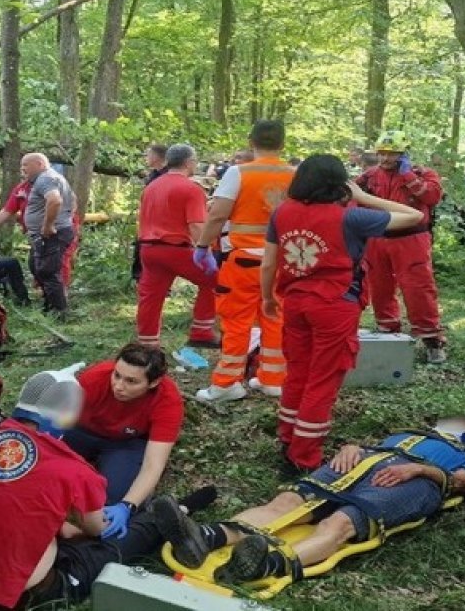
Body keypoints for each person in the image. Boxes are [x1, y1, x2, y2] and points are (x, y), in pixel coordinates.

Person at [0, 368, 177, 610]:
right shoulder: (73, 472)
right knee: (127, 536)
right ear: (68, 416)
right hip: (24, 594)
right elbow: (93, 530)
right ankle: (187, 517)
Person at [154, 423, 465, 586]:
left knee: (341, 523)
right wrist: (352, 447)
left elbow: (460, 482)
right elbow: (374, 447)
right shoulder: (408, 434)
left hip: (416, 482)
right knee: (289, 501)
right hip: (366, 463)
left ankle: (266, 566)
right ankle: (204, 537)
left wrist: (418, 469)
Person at [260, 155, 423, 471]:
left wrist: (267, 298)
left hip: (295, 302)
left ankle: (288, 437)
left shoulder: (282, 213)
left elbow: (269, 263)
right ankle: (303, 457)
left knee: (297, 372)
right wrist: (363, 197)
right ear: (339, 184)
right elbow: (414, 215)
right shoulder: (350, 217)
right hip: (335, 305)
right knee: (322, 380)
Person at [193, 120, 294, 402]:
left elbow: (217, 214)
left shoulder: (239, 173)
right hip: (282, 261)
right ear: (282, 144)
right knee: (275, 318)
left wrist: (202, 246)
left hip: (245, 262)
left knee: (237, 322)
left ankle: (226, 383)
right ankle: (273, 379)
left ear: (252, 142)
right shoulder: (295, 175)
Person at [66, 344, 183, 531]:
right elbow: (56, 423)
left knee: (113, 500)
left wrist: (127, 505)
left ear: (153, 382)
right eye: (117, 375)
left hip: (125, 443)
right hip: (82, 431)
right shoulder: (93, 379)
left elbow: (153, 464)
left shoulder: (167, 400)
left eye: (131, 381)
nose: (118, 386)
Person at [355, 130, 447, 364]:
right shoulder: (368, 177)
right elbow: (352, 199)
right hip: (377, 238)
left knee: (418, 288)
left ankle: (431, 339)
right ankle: (388, 329)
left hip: (412, 239)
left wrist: (409, 177)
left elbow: (433, 197)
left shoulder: (422, 173)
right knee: (380, 287)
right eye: (382, 153)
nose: (386, 159)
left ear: (403, 152)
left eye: (392, 153)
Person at [136, 144, 218, 349]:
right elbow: (197, 225)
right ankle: (202, 330)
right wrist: (205, 251)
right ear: (189, 162)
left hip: (148, 248)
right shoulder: (191, 189)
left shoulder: (151, 187)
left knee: (151, 296)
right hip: (175, 248)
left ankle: (147, 342)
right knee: (215, 281)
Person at [20, 153, 77, 315]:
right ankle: (49, 305)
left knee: (48, 271)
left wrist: (48, 225)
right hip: (54, 232)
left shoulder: (45, 178)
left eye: (25, 165)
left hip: (53, 234)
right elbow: (72, 199)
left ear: (39, 164)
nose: (23, 170)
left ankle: (59, 311)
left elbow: (55, 200)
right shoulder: (53, 177)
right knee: (37, 267)